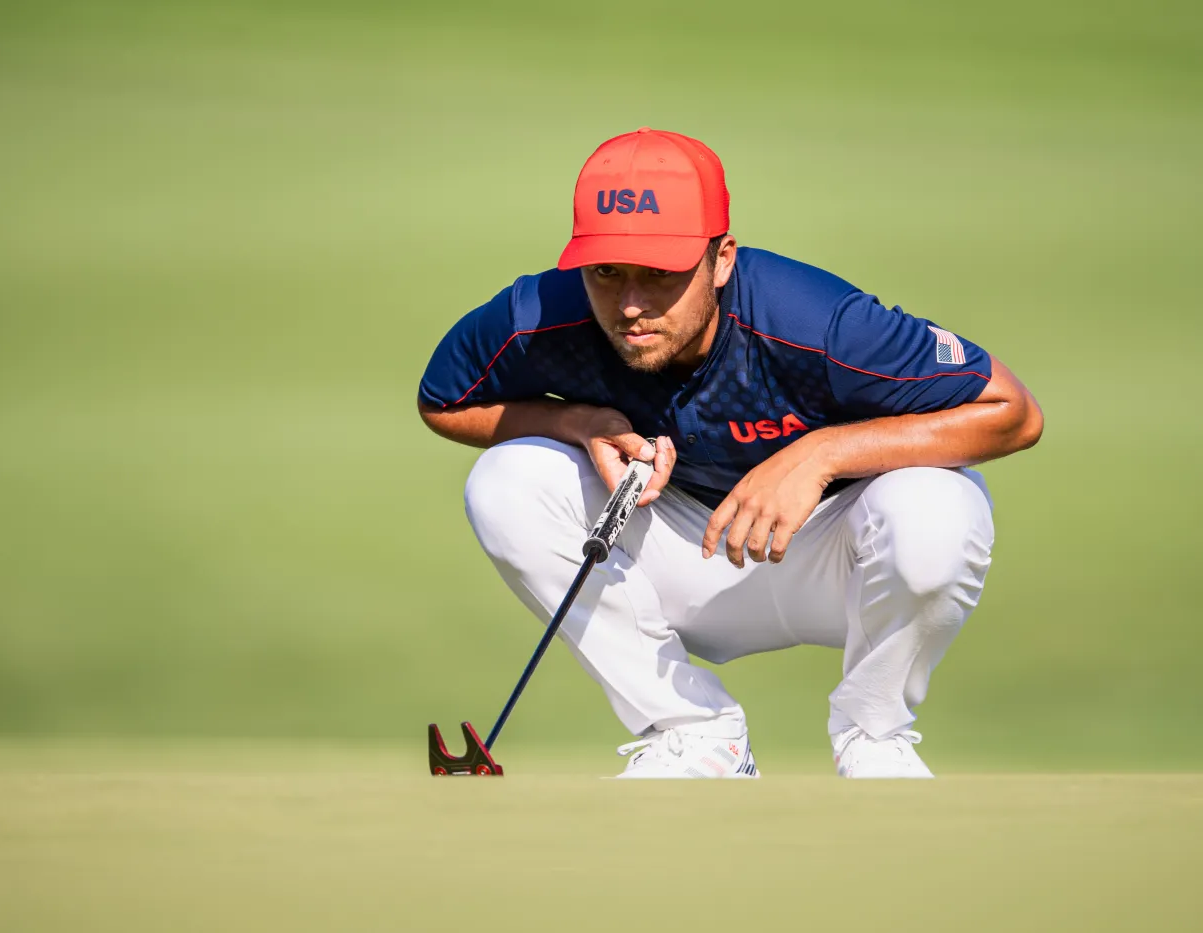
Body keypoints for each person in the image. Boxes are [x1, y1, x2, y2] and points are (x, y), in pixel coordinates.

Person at [416, 128, 1042, 778]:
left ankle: (875, 736)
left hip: (840, 561)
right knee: (505, 481)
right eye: (606, 272)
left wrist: (822, 454)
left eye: (660, 273)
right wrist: (571, 420)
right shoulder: (538, 313)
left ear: (721, 259)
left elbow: (1013, 411)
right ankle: (695, 731)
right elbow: (443, 400)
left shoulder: (818, 322)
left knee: (938, 508)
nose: (630, 304)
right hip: (675, 560)